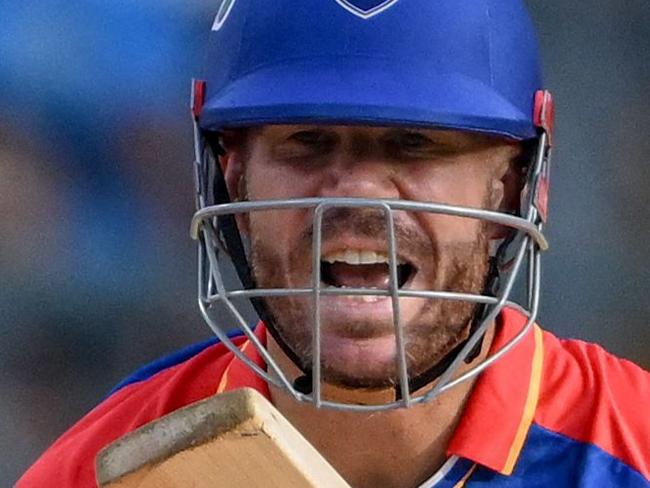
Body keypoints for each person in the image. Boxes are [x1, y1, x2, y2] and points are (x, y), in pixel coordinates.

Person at [19, 0, 649, 486]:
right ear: (229, 175)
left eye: (415, 142)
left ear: (518, 186)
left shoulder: (632, 446)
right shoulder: (109, 469)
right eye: (309, 140)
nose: (357, 194)